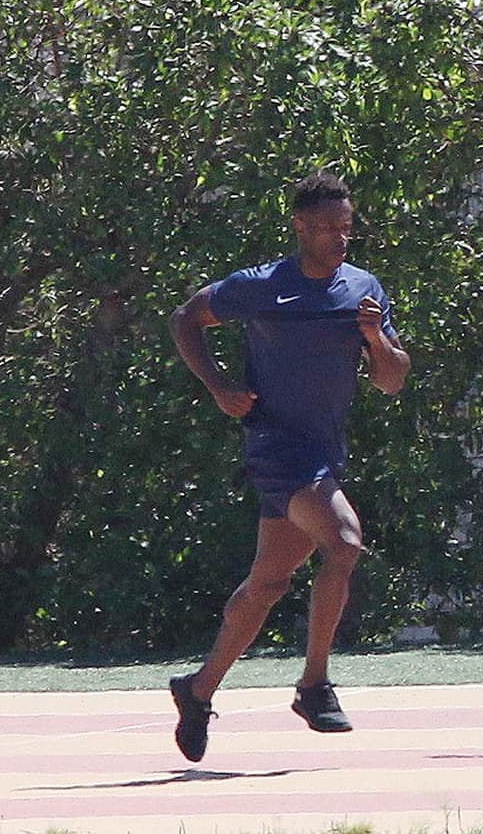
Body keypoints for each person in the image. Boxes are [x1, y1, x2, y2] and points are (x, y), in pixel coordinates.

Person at [167, 171, 411, 762]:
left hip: (324, 454)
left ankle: (197, 691)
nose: (339, 238)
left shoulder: (362, 290)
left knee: (268, 585)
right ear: (299, 226)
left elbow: (392, 381)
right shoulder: (261, 286)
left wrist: (376, 340)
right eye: (327, 228)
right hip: (276, 449)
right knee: (345, 541)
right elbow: (185, 321)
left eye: (346, 228)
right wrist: (220, 385)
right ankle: (313, 684)